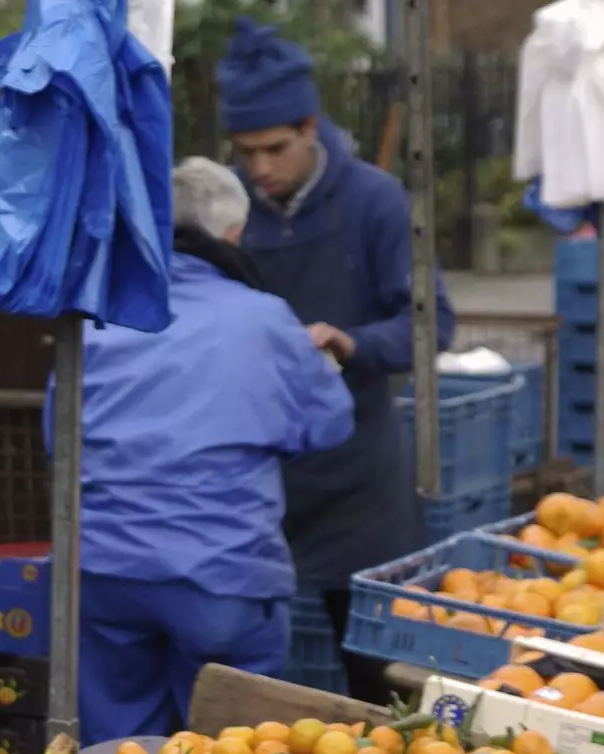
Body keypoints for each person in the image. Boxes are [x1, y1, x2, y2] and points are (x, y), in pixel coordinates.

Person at [48, 157, 356, 746]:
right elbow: (329, 425)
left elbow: (55, 438)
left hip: (103, 574)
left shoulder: (96, 321)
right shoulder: (266, 320)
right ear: (234, 234)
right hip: (225, 573)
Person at [217, 19, 458, 703]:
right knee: (249, 686)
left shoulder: (376, 203)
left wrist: (351, 343)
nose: (259, 168)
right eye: (245, 151)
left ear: (311, 127)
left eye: (274, 148)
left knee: (379, 676)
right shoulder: (232, 213)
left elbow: (431, 324)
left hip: (360, 483)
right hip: (259, 480)